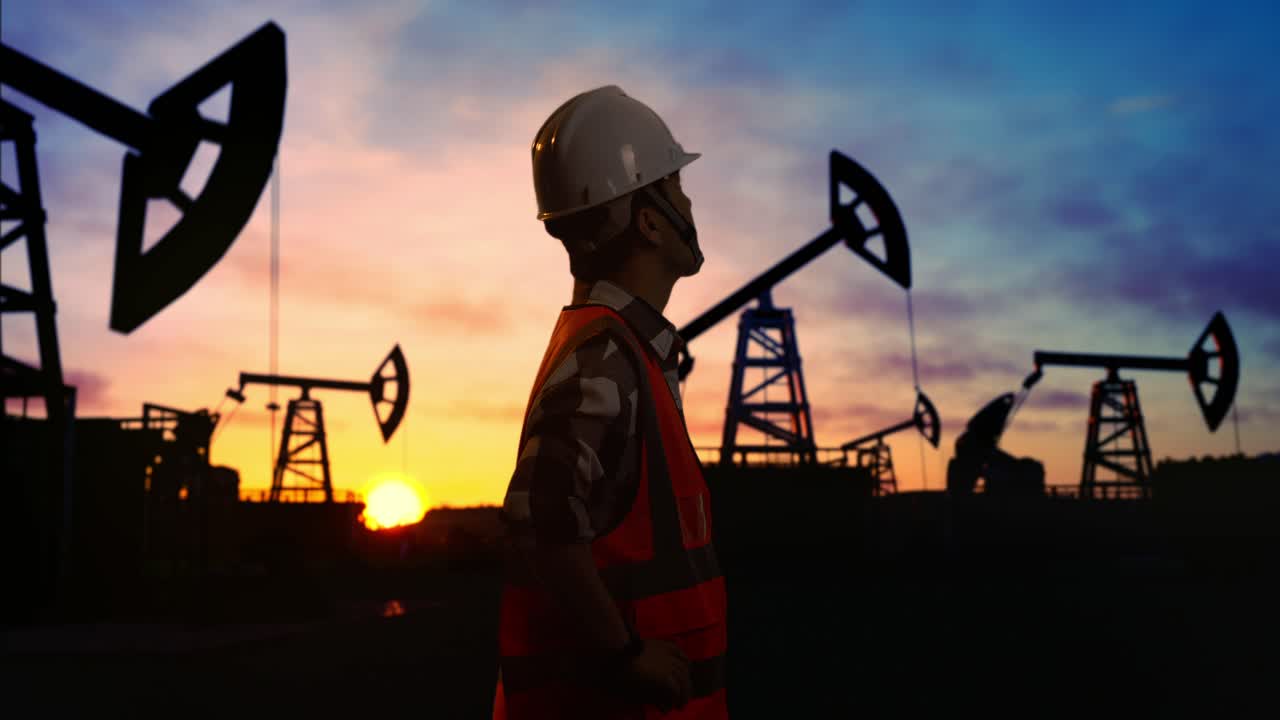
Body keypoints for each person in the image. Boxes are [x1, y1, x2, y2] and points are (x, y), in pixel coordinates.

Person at [493, 85, 728, 719]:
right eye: (676, 187)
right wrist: (623, 656)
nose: (688, 203)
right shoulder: (605, 359)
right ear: (649, 221)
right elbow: (539, 520)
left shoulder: (616, 350)